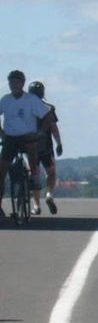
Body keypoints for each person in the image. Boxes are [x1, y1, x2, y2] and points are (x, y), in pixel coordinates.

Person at [0, 70, 51, 217]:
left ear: (22, 83)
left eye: (16, 82)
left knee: (33, 157)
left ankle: (34, 177)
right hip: (10, 138)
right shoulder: (5, 100)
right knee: (1, 172)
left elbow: (47, 115)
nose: (13, 85)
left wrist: (41, 132)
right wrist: (2, 133)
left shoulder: (31, 100)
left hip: (28, 137)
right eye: (11, 82)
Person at [27, 81, 62, 215]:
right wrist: (59, 144)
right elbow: (54, 128)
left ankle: (36, 205)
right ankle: (48, 194)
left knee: (33, 173)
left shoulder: (26, 108)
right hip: (45, 145)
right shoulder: (48, 108)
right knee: (51, 172)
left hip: (28, 144)